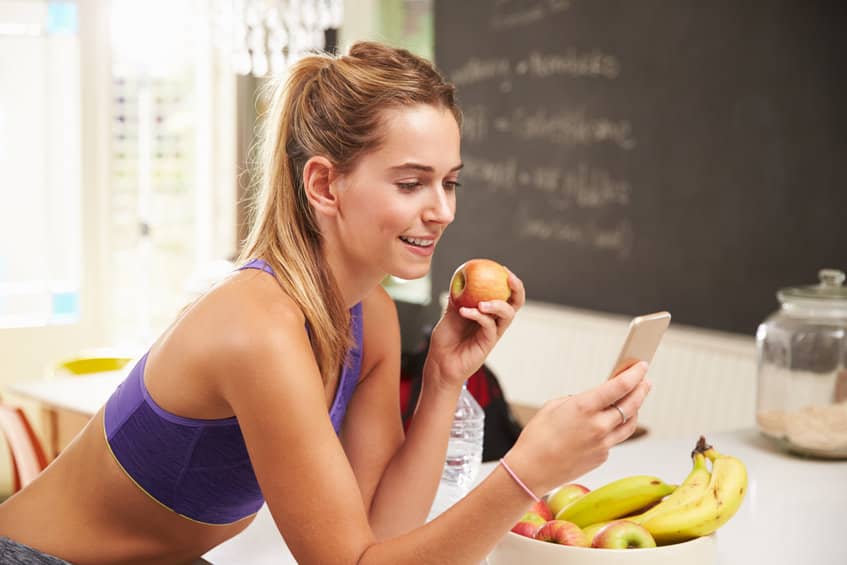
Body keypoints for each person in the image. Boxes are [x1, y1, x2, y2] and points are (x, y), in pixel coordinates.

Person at [0, 42, 651, 564]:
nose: (443, 210)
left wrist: (445, 376)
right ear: (324, 185)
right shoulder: (257, 328)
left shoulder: (371, 314)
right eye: (410, 182)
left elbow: (382, 531)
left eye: (449, 182)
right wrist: (525, 472)